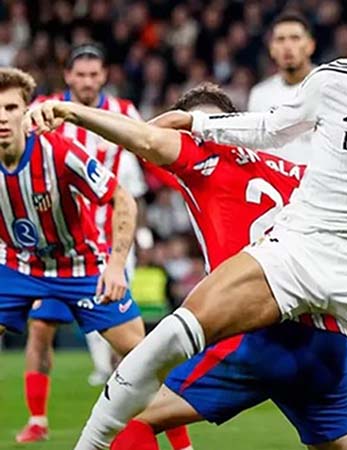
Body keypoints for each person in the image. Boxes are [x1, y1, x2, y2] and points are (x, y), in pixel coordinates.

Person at [61, 7, 347, 450]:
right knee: (170, 336)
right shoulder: (335, 82)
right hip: (302, 247)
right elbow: (272, 127)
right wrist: (200, 122)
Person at [29, 83, 347, 450]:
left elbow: (143, 138)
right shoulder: (294, 172)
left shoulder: (202, 157)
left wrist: (71, 112)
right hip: (325, 337)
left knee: (130, 419)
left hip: (254, 327)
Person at [15, 43, 195, 448]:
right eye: (80, 74)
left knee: (132, 350)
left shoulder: (124, 112)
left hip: (112, 243)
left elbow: (149, 152)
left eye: (94, 74)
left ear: (104, 75)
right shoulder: (43, 109)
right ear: (67, 76)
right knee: (40, 327)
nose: (87, 81)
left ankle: (172, 437)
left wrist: (185, 182)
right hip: (55, 249)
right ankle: (37, 418)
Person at [248, 12, 347, 440]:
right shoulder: (261, 95)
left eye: (295, 37)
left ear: (310, 44)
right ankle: (318, 406)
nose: (288, 45)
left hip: (336, 213)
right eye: (280, 38)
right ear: (271, 48)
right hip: (283, 220)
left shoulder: (332, 85)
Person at [0, 68, 145, 442]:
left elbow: (122, 198)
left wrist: (115, 266)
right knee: (39, 334)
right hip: (19, 265)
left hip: (79, 264)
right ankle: (37, 420)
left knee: (144, 356)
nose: (2, 116)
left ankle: (183, 444)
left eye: (11, 107)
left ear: (26, 110)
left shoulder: (58, 151)